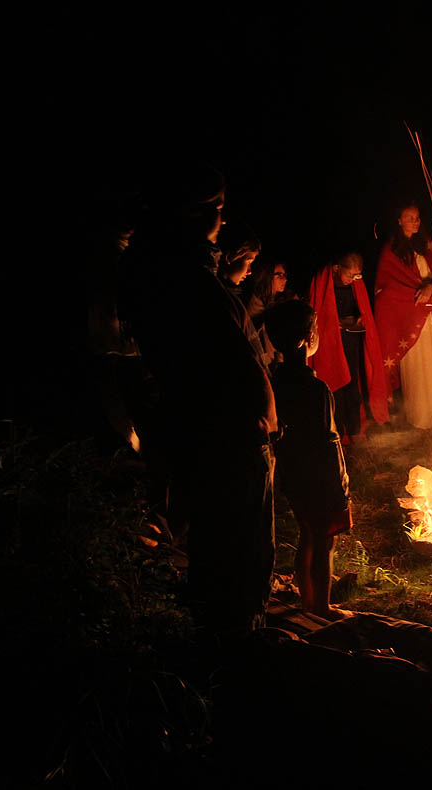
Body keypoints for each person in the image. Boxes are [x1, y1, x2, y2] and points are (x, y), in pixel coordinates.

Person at [118, 161, 277, 636]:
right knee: (233, 560)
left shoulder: (188, 274)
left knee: (231, 555)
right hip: (224, 444)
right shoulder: (182, 280)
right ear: (192, 212)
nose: (224, 222)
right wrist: (251, 420)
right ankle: (233, 661)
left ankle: (232, 644)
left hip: (228, 440)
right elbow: (215, 366)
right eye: (219, 210)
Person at [263, 299, 352, 619]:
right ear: (305, 339)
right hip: (319, 478)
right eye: (314, 330)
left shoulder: (276, 383)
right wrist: (339, 482)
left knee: (307, 535)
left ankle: (308, 604)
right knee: (325, 540)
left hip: (294, 474)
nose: (318, 335)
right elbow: (327, 441)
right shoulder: (315, 389)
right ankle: (322, 607)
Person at [372, 203, 432, 429]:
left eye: (418, 217)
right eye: (410, 217)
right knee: (419, 366)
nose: (415, 221)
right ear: (399, 220)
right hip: (411, 319)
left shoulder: (427, 245)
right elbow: (387, 290)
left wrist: (431, 288)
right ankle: (422, 417)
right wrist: (414, 295)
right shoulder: (391, 251)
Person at [307, 251, 389, 443]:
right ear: (337, 269)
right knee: (335, 385)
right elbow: (318, 311)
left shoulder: (355, 283)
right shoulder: (322, 281)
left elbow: (361, 307)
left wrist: (361, 317)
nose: (353, 280)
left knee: (352, 383)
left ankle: (354, 431)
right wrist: (330, 325)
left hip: (351, 339)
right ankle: (336, 430)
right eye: (350, 275)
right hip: (329, 344)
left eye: (357, 276)